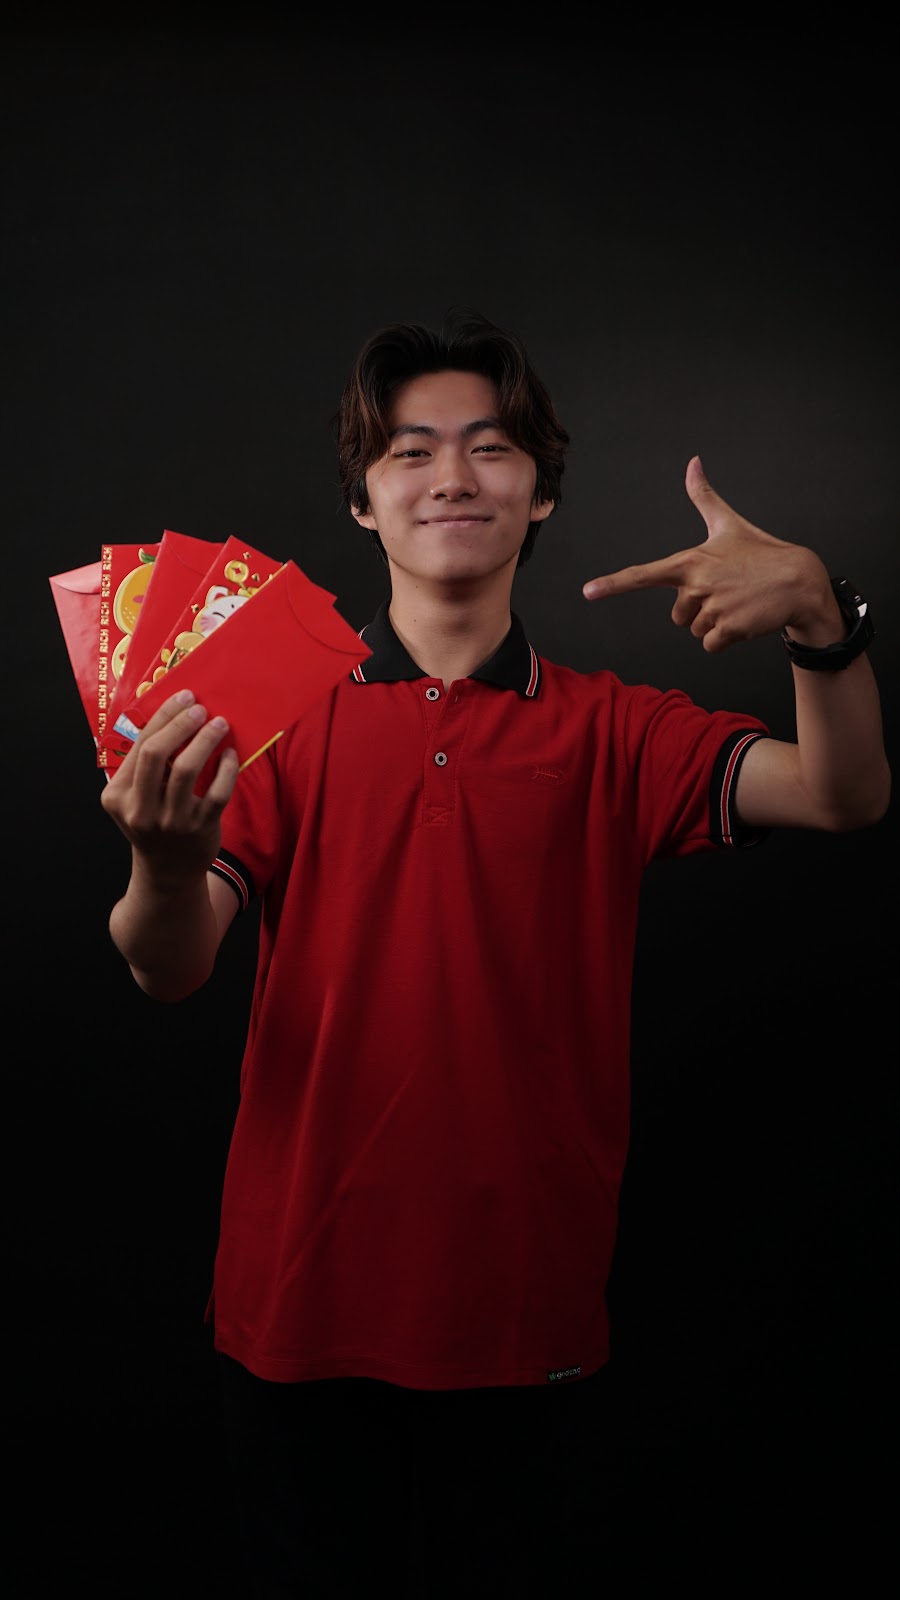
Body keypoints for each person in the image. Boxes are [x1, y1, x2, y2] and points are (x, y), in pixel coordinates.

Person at [100, 309, 890, 1597]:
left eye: (491, 447)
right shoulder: (276, 725)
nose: (452, 476)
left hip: (525, 1311)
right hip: (298, 1301)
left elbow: (845, 795)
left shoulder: (617, 730)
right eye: (410, 452)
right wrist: (161, 859)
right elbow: (169, 962)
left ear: (541, 492)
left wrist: (822, 619)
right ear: (362, 500)